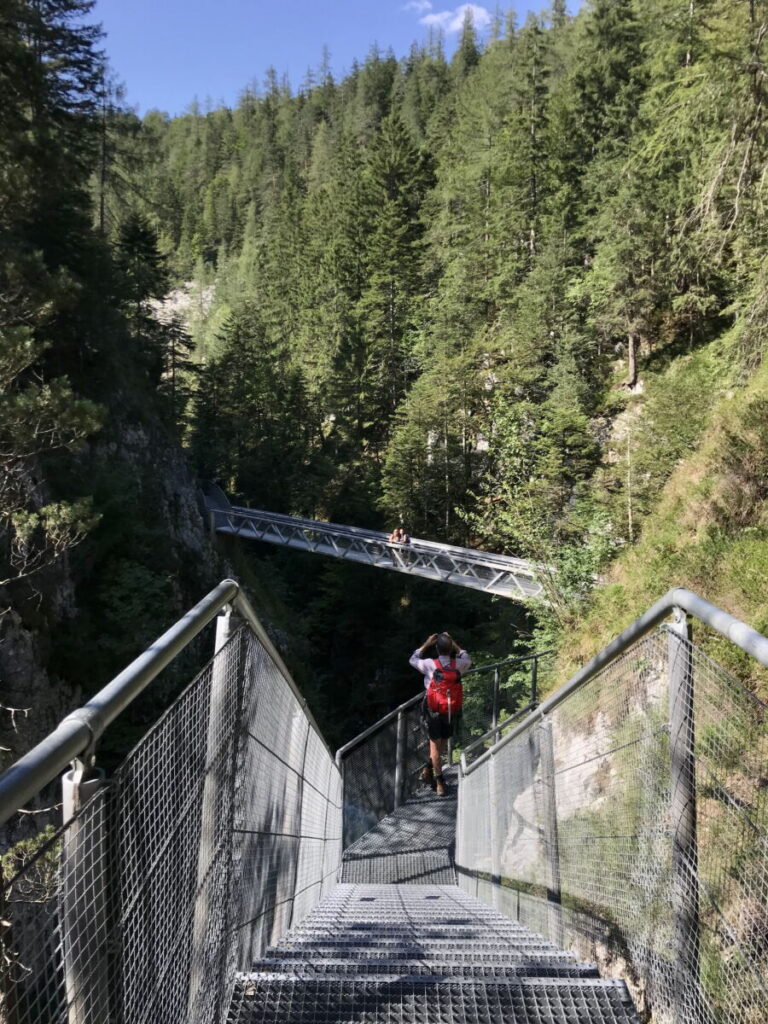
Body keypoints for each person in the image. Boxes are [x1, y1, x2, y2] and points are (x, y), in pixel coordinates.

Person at [409, 632, 471, 796]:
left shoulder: (430, 664)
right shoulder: (459, 664)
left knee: (435, 747)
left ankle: (439, 783)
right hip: (451, 710)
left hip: (434, 710)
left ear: (436, 648)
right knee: (442, 742)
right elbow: (467, 657)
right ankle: (428, 770)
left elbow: (413, 660)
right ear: (450, 649)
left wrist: (426, 644)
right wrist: (454, 644)